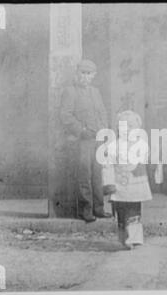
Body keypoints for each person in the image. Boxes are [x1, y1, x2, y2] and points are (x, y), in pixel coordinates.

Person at [60, 59, 111, 222]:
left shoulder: (95, 92)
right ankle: (85, 210)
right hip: (81, 141)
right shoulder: (70, 91)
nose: (85, 76)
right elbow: (65, 115)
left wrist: (104, 131)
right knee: (84, 174)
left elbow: (103, 113)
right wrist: (81, 130)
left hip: (97, 139)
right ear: (77, 73)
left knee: (97, 174)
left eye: (89, 74)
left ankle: (99, 208)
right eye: (82, 72)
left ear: (93, 76)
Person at [104, 110, 152, 250]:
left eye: (131, 126)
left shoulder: (141, 145)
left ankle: (134, 237)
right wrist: (108, 182)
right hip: (119, 184)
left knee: (134, 210)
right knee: (121, 211)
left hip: (135, 183)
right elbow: (107, 165)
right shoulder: (114, 146)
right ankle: (124, 237)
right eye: (124, 127)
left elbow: (145, 159)